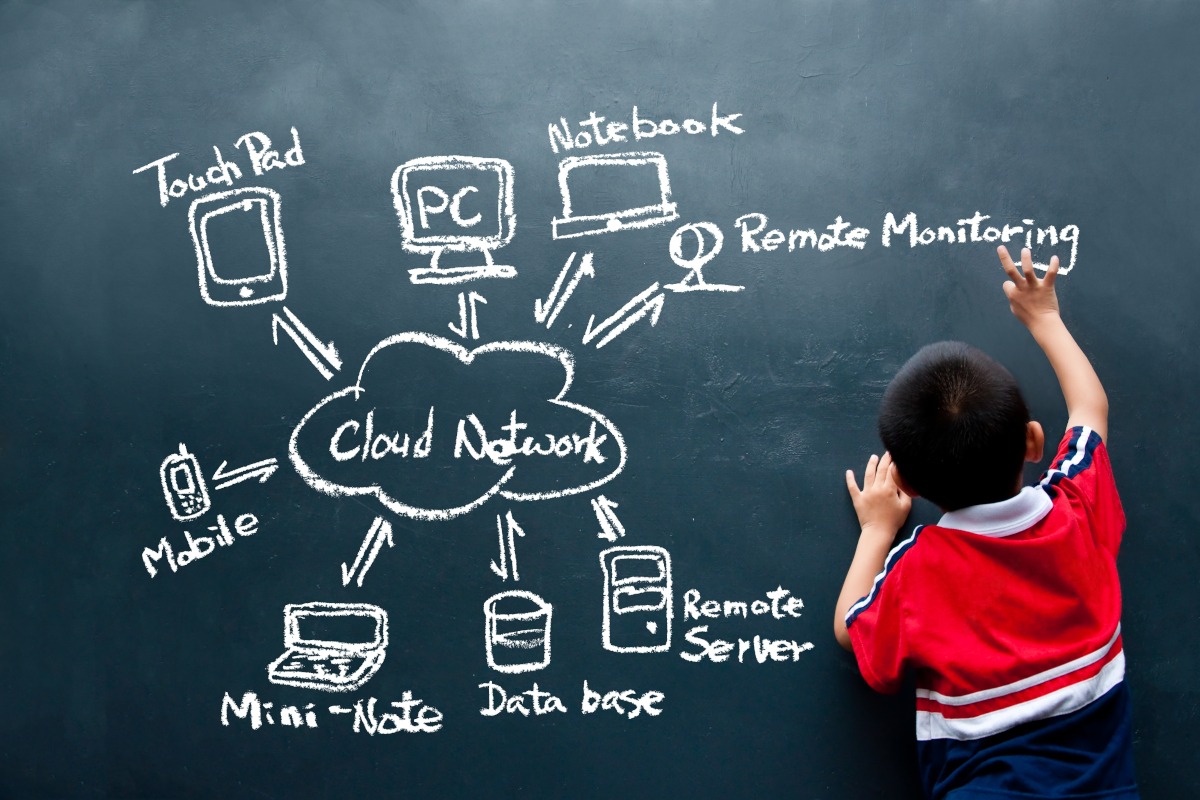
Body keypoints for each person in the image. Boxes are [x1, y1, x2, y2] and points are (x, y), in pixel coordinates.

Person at [833, 247, 1137, 799]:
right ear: (1033, 442)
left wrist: (878, 531)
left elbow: (852, 632)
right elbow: (1091, 409)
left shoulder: (918, 569)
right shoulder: (1079, 508)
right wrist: (1044, 318)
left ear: (910, 485)